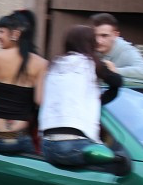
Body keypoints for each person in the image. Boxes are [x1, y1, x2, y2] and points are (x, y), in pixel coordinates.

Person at [38, 24, 123, 166]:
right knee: (113, 166)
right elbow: (117, 82)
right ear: (89, 43)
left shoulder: (54, 65)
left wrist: (93, 102)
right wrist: (111, 70)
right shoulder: (90, 63)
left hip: (47, 146)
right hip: (74, 145)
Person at [0, 9, 47, 154]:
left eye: (1, 32)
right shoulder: (41, 64)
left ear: (16, 34)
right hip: (15, 140)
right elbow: (39, 100)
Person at [89, 12, 143, 80]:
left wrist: (115, 70)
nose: (98, 41)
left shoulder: (126, 50)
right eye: (94, 35)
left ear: (115, 35)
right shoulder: (88, 45)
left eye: (104, 35)